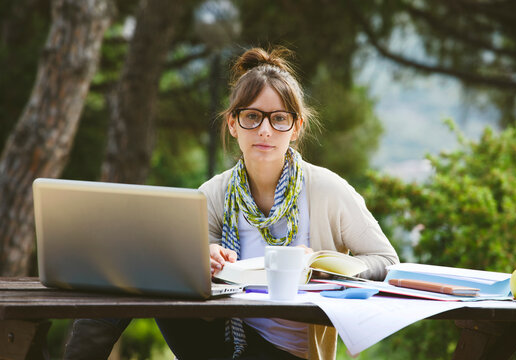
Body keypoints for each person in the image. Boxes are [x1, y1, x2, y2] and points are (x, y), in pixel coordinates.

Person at [63, 46, 399, 360]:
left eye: (278, 118)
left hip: (289, 353)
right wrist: (202, 255)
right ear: (233, 124)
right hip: (220, 339)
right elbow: (180, 266)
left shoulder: (326, 189)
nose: (265, 130)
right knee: (139, 257)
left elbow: (386, 260)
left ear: (295, 127)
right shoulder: (215, 192)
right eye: (252, 116)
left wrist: (324, 266)